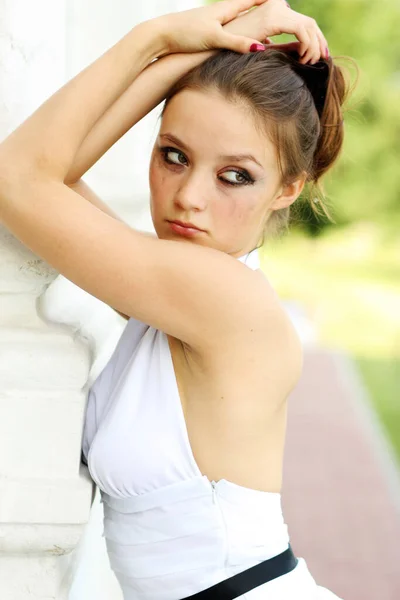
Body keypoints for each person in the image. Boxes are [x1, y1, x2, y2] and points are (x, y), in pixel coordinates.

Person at [0, 1, 354, 598]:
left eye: (234, 175)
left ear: (287, 189)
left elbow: (18, 179)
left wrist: (156, 40)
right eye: (174, 155)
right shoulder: (176, 290)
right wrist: (180, 62)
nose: (188, 196)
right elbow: (46, 175)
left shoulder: (218, 296)